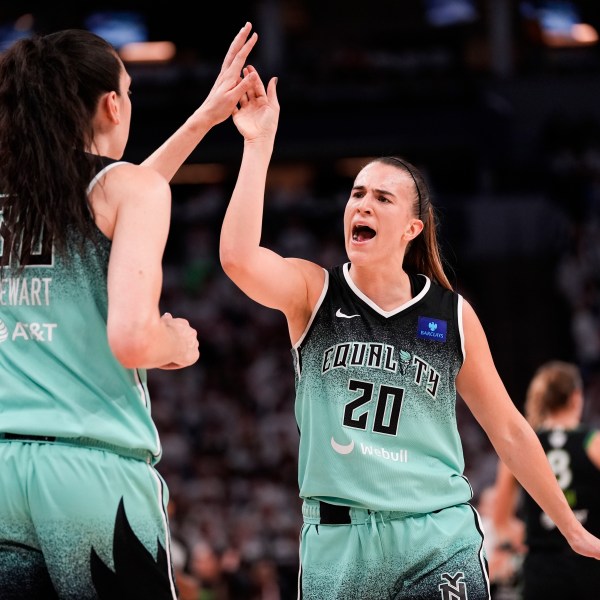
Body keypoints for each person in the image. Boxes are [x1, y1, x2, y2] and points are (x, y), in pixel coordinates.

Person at [218, 67, 600, 600]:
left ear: (412, 228)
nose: (363, 204)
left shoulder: (451, 315)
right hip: (339, 542)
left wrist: (572, 527)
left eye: (381, 198)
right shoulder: (313, 291)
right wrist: (258, 145)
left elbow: (510, 430)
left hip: (436, 535)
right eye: (356, 194)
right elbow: (237, 258)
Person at [0, 23, 259, 600]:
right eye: (131, 92)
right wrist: (175, 341)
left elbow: (117, 196)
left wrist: (202, 120)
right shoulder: (124, 190)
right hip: (87, 475)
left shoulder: (27, 192)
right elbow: (132, 339)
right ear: (112, 104)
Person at [492, 360, 600, 600]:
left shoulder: (521, 446)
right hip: (591, 567)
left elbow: (501, 522)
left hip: (542, 571)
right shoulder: (593, 442)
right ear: (576, 397)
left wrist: (538, 532)